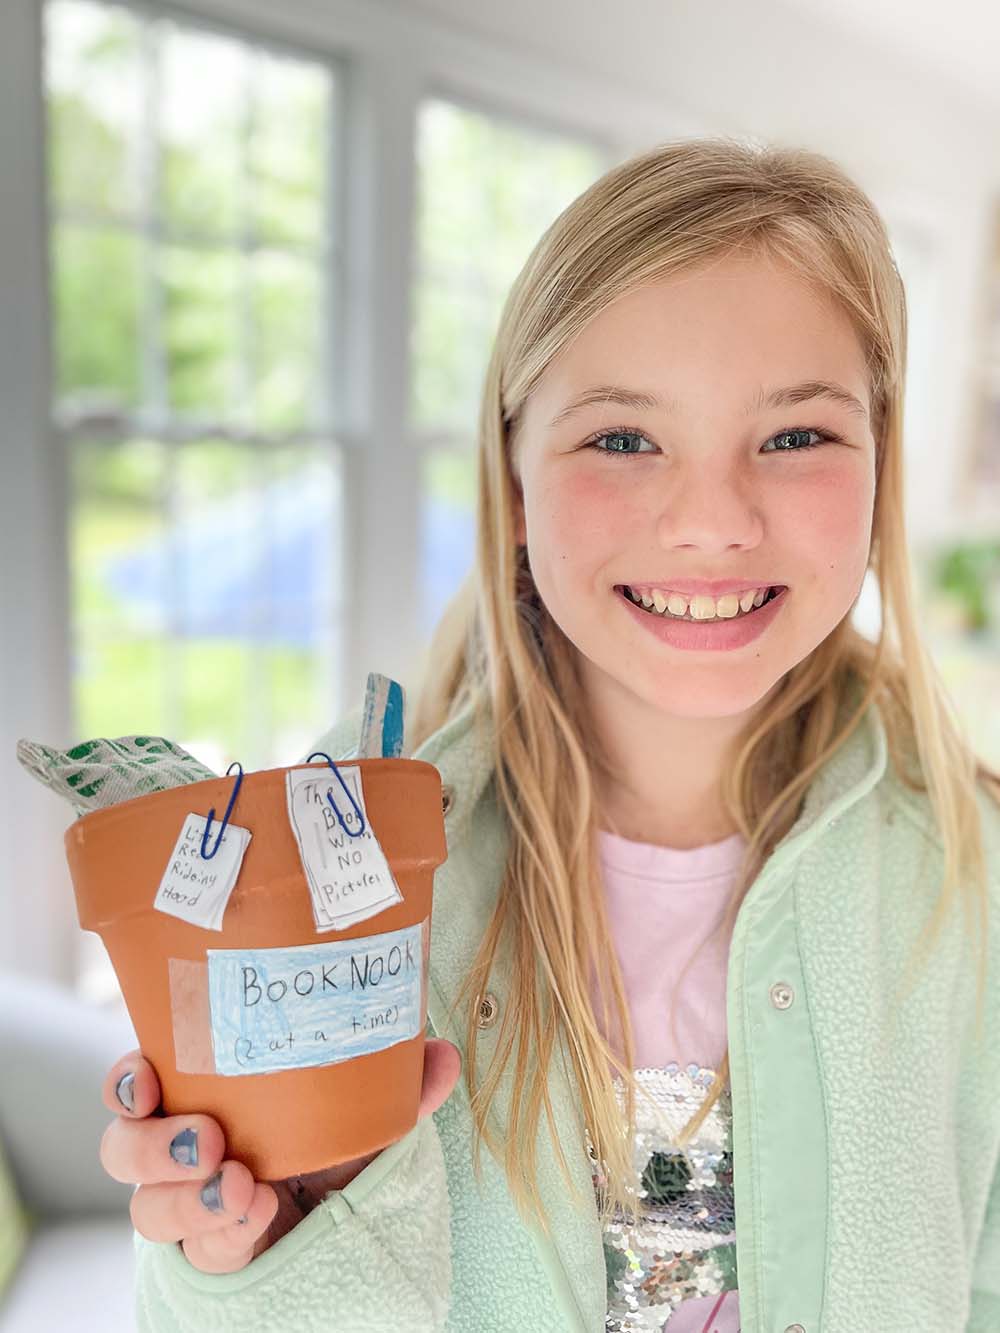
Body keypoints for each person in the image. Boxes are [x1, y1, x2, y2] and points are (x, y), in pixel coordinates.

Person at [97, 138, 1000, 1332]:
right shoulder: (342, 875)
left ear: (880, 459)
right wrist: (242, 1255)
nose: (712, 522)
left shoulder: (967, 871)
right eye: (623, 439)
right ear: (512, 482)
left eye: (794, 436)